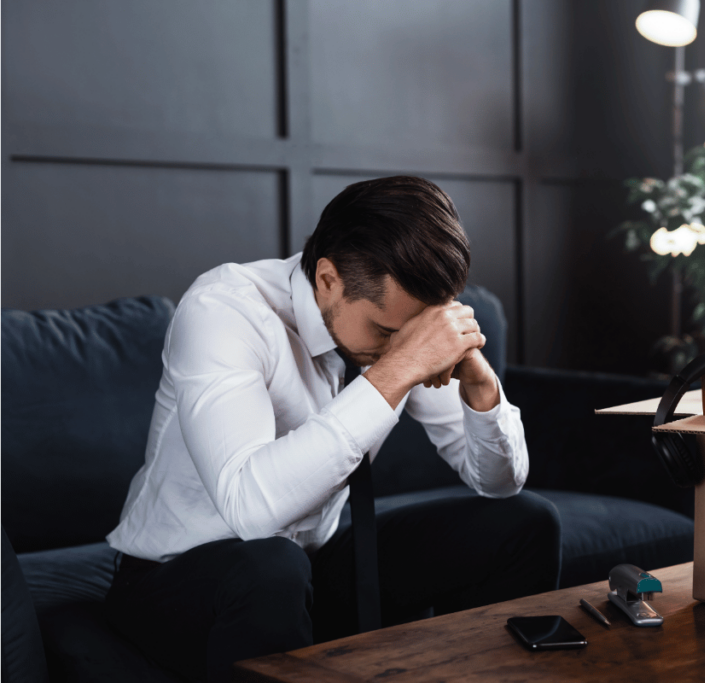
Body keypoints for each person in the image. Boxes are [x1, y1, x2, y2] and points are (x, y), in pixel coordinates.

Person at [104, 176, 561, 682]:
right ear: (328, 280)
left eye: (411, 335)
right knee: (272, 566)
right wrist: (400, 367)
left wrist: (481, 387)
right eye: (385, 333)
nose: (396, 349)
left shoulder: (396, 317)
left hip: (308, 571)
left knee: (524, 523)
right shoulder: (225, 310)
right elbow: (251, 512)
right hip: (177, 584)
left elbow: (499, 482)